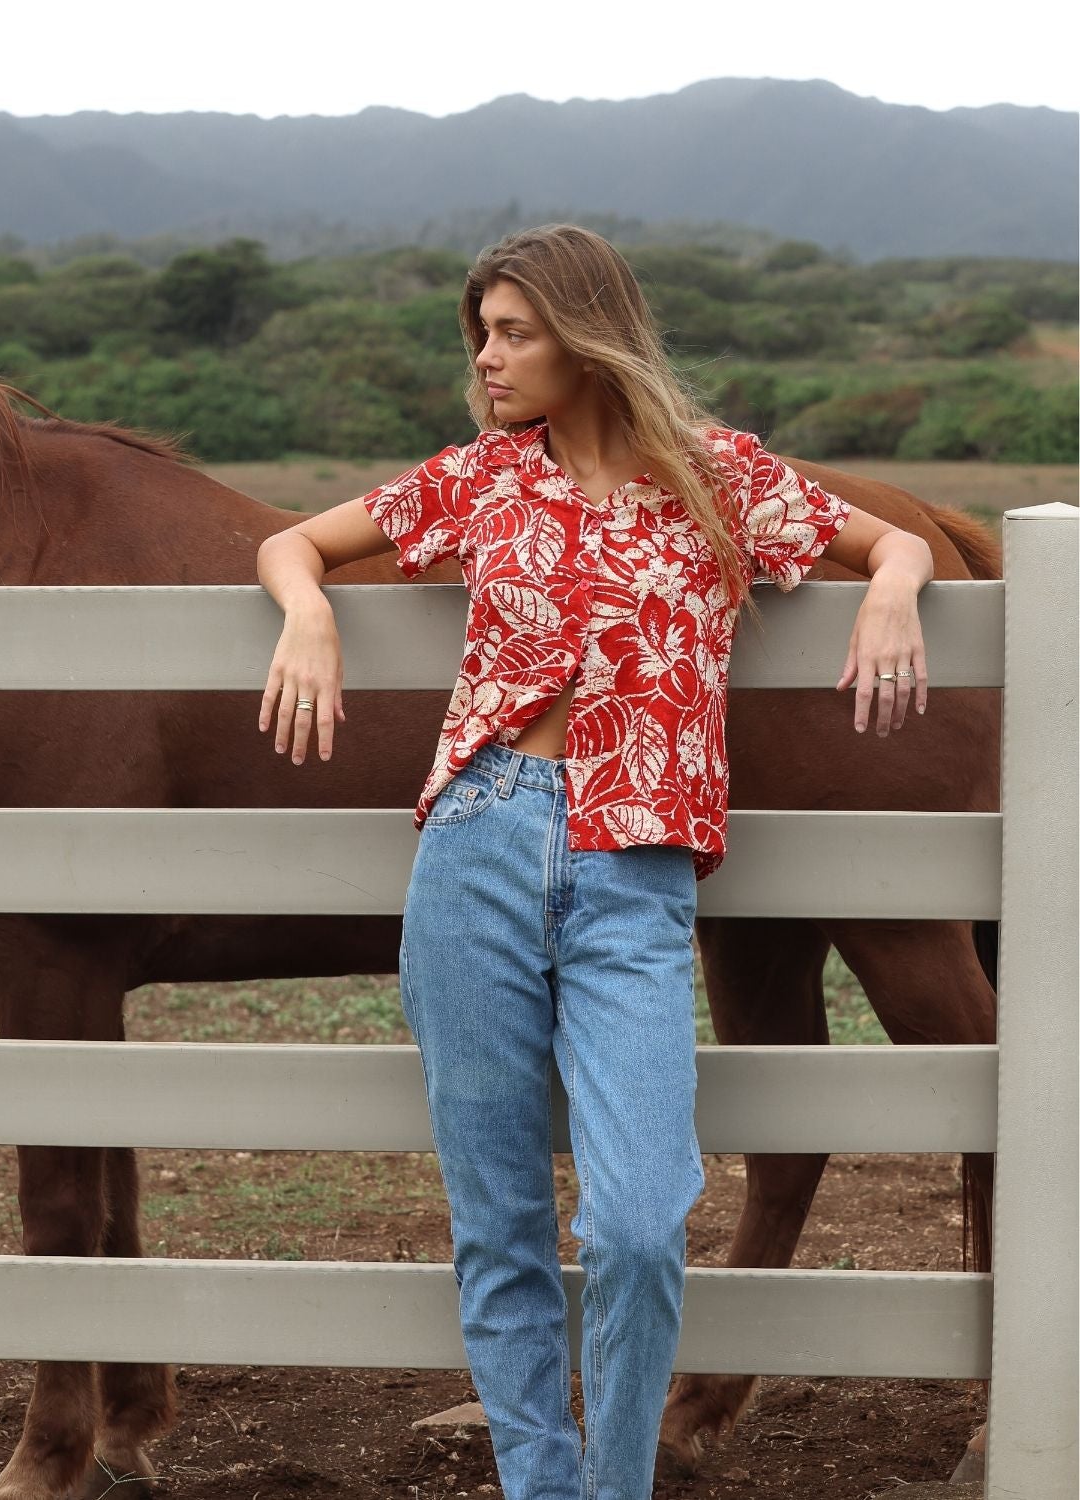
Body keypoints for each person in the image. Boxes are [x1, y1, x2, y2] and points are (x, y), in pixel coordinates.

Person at [255, 224, 931, 1500]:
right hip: (480, 842)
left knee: (634, 1225)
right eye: (482, 333)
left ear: (587, 333)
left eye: (513, 332)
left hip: (637, 870)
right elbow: (298, 544)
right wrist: (305, 616)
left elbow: (886, 542)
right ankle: (541, 1485)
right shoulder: (479, 480)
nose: (486, 356)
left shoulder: (716, 478)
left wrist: (893, 587)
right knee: (499, 1228)